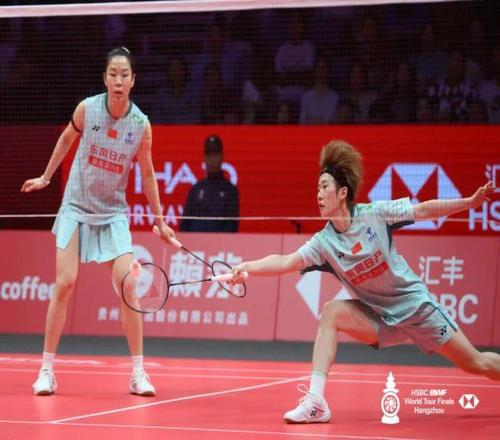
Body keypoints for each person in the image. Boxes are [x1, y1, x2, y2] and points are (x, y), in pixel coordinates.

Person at [230, 139, 499, 423]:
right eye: (317, 189)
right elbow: (287, 261)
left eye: (324, 187)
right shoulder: (323, 243)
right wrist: (247, 267)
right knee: (332, 312)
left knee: (476, 363)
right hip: (381, 319)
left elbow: (422, 210)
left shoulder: (375, 215)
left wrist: (469, 203)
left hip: (417, 309)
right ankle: (316, 402)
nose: (318, 194)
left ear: (342, 192)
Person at [21, 47, 176, 396]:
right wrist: (46, 177)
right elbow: (66, 139)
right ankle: (46, 370)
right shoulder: (87, 109)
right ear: (105, 79)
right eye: (113, 74)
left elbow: (148, 173)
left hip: (112, 213)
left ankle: (138, 373)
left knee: (129, 286)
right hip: (76, 206)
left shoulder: (140, 125)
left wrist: (161, 220)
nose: (119, 80)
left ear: (133, 80)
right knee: (64, 283)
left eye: (125, 75)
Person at [180, 135, 239, 232]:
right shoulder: (196, 189)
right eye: (209, 155)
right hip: (195, 241)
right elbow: (185, 223)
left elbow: (232, 225)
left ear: (222, 157)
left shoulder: (230, 191)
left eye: (215, 155)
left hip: (220, 241)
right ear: (204, 158)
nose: (212, 159)